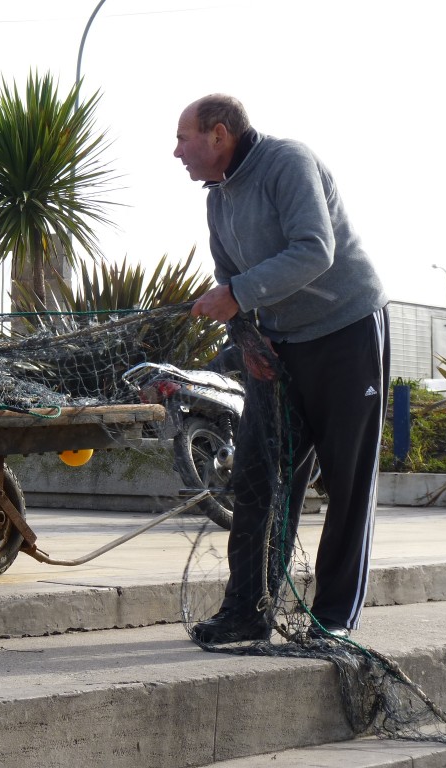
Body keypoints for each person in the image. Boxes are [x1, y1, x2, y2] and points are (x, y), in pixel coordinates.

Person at [174, 94, 390, 643]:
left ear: (218, 135)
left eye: (184, 138)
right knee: (256, 480)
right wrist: (246, 339)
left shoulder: (288, 163)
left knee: (346, 482)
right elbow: (228, 278)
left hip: (346, 334)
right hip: (279, 350)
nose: (175, 151)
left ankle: (334, 618)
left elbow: (315, 249)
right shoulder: (217, 198)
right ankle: (248, 610)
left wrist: (239, 295)